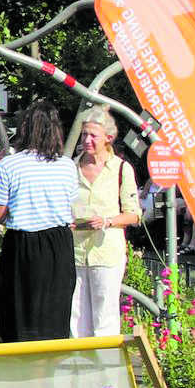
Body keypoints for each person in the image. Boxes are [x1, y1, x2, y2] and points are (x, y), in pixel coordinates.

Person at [0, 100, 78, 342]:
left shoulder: (11, 165)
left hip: (24, 244)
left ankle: (21, 362)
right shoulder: (67, 166)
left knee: (20, 307)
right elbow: (70, 207)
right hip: (59, 244)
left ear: (26, 129)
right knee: (55, 308)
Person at [71, 106, 142, 337]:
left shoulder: (121, 169)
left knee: (105, 318)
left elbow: (134, 214)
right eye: (84, 135)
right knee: (76, 318)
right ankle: (80, 368)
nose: (87, 140)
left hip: (106, 252)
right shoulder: (71, 167)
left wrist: (107, 221)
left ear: (108, 138)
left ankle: (107, 369)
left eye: (93, 135)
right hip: (75, 252)